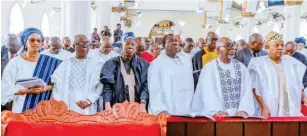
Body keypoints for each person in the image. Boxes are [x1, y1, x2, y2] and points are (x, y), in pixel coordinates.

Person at [1, 27, 62, 113]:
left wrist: (47, 87)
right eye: (32, 40)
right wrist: (27, 90)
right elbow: (6, 88)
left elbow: (59, 84)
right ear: (25, 43)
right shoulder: (15, 63)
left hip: (44, 109)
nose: (35, 43)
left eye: (38, 40)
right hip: (21, 108)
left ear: (42, 43)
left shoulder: (51, 62)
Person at [191, 37, 255, 117]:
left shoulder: (241, 67)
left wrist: (244, 109)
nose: (232, 48)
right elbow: (208, 92)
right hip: (218, 116)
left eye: (232, 45)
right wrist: (216, 111)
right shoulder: (209, 68)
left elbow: (247, 89)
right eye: (227, 46)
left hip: (239, 115)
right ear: (217, 50)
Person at [248, 32, 307, 117]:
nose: (280, 48)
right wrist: (263, 106)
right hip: (269, 106)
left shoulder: (291, 62)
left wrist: (305, 100)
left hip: (289, 107)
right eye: (276, 45)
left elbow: (297, 87)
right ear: (268, 47)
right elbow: (254, 88)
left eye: (282, 45)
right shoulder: (259, 64)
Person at [51, 34, 102, 114]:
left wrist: (89, 101)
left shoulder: (95, 63)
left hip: (88, 104)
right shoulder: (66, 62)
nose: (85, 46)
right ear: (74, 45)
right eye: (81, 43)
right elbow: (56, 82)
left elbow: (100, 86)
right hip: (68, 102)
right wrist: (57, 102)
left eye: (87, 43)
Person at [100, 32, 149, 112]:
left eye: (132, 44)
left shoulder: (143, 64)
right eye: (127, 44)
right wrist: (107, 106)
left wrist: (143, 104)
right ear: (122, 46)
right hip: (117, 108)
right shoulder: (112, 63)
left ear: (135, 48)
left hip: (138, 108)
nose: (130, 46)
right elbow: (107, 87)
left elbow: (145, 85)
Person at [148, 34, 194, 116]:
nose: (174, 43)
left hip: (186, 108)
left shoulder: (185, 61)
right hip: (167, 110)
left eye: (176, 41)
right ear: (163, 45)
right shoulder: (157, 63)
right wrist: (159, 109)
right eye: (170, 41)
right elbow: (154, 88)